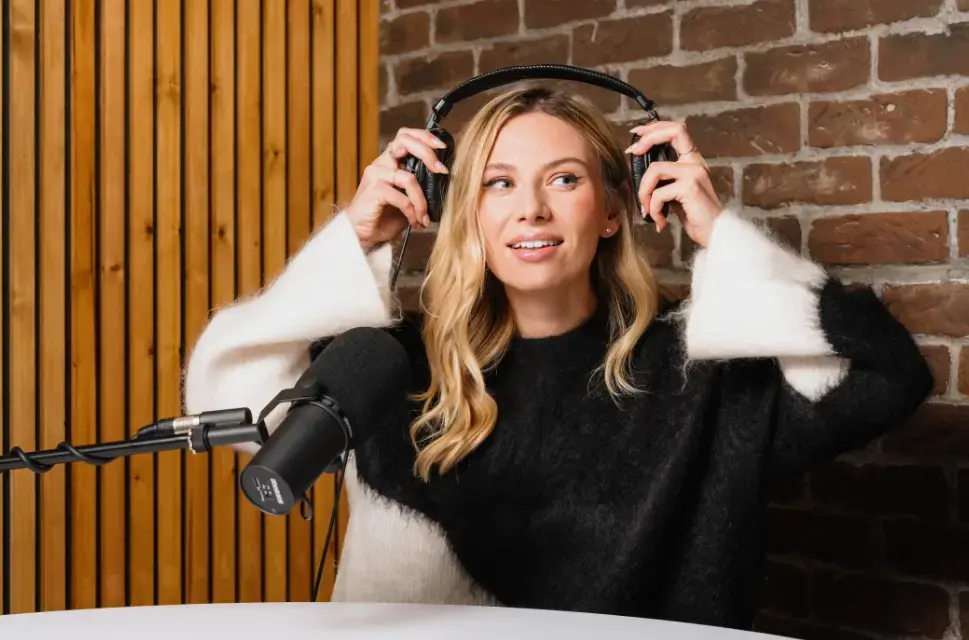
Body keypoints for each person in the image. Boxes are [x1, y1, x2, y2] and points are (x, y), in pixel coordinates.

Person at [183, 84, 933, 630]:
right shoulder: (388, 370)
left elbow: (885, 376)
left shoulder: (700, 371)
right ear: (458, 211)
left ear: (617, 208)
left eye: (564, 180)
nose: (530, 210)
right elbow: (231, 391)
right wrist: (356, 239)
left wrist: (717, 231)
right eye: (496, 184)